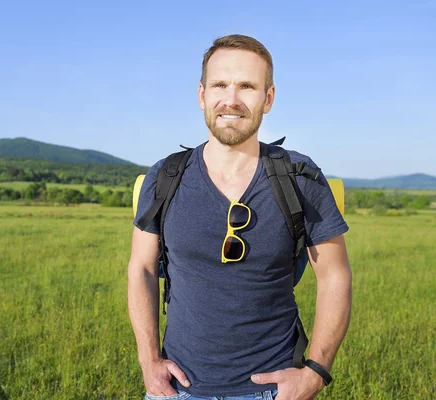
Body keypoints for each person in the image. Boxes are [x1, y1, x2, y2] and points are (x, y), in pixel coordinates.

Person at [127, 34, 352, 400]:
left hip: (273, 390)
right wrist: (148, 361)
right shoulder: (164, 176)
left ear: (268, 98)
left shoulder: (299, 177)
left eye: (247, 86)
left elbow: (334, 274)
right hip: (175, 388)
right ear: (202, 95)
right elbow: (143, 268)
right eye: (220, 85)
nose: (231, 100)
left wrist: (314, 372)